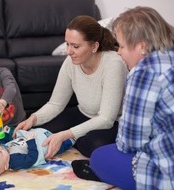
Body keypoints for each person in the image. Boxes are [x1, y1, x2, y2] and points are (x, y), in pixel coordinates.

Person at [87, 6, 174, 190]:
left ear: (142, 46)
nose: (118, 52)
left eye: (120, 46)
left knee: (99, 156)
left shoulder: (144, 73)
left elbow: (129, 142)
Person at [13, 15, 128, 159]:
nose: (68, 51)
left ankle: (74, 138)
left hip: (113, 122)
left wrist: (66, 134)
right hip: (83, 113)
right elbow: (56, 104)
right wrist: (34, 118)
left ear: (94, 46)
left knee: (94, 146)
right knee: (39, 132)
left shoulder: (113, 64)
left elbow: (106, 119)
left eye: (76, 46)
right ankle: (75, 137)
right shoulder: (70, 61)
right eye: (67, 44)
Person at [0, 128, 75, 177]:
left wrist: (5, 133)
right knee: (61, 145)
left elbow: (3, 143)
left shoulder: (3, 151)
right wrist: (31, 141)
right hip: (45, 147)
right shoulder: (15, 161)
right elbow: (32, 157)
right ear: (6, 166)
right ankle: (72, 140)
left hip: (36, 136)